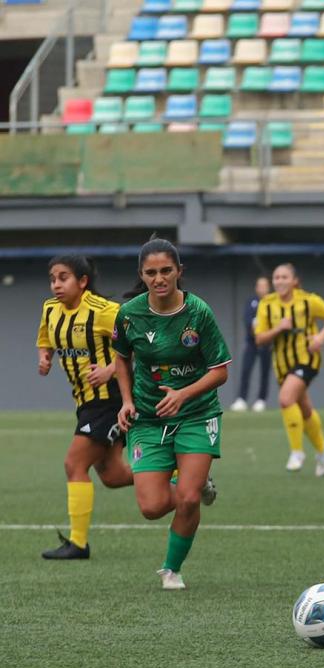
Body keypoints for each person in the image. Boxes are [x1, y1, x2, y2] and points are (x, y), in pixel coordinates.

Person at [113, 236, 231, 590]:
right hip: (148, 418)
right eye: (151, 272)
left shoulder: (199, 313)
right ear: (142, 275)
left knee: (190, 499)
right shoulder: (130, 314)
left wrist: (183, 395)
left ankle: (171, 569)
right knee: (151, 507)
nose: (159, 278)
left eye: (166, 270)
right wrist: (126, 401)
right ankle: (192, 482)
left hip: (196, 413)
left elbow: (220, 370)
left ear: (180, 271)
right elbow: (120, 358)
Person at [36, 254, 133, 560]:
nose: (56, 284)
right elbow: (45, 338)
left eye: (63, 277)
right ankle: (177, 474)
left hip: (110, 400)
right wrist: (45, 356)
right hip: (84, 402)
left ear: (82, 281)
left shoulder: (105, 312)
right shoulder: (50, 309)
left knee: (73, 464)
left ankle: (78, 543)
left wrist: (109, 369)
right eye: (52, 278)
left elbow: (140, 345)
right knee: (112, 475)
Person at [254, 262, 324, 476]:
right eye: (276, 277)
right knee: (304, 408)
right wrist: (278, 329)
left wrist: (320, 337)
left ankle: (297, 451)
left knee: (285, 399)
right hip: (282, 365)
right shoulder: (266, 304)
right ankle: (323, 449)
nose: (280, 281)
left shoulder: (308, 301)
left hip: (307, 359)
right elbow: (259, 339)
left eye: (284, 277)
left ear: (294, 281)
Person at [231, 275, 271, 412]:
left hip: (266, 344)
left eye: (265, 286)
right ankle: (241, 399)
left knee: (265, 372)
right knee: (246, 370)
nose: (262, 288)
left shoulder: (272, 302)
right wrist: (256, 329)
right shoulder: (252, 302)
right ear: (256, 288)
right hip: (252, 343)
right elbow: (247, 320)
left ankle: (261, 400)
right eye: (260, 286)